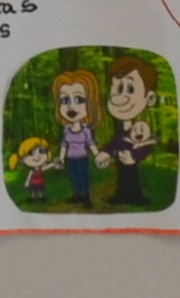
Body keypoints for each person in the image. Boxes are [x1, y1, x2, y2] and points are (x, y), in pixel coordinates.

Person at [100, 63, 158, 208]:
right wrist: (106, 152)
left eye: (130, 89)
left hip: (132, 159)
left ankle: (135, 196)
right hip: (120, 158)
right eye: (118, 89)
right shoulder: (121, 127)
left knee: (133, 177)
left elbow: (148, 144)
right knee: (122, 178)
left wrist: (134, 157)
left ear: (149, 98)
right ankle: (122, 196)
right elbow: (115, 141)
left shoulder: (141, 126)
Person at [49, 69, 100, 207]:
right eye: (65, 100)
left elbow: (90, 143)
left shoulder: (85, 130)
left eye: (79, 100)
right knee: (74, 176)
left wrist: (97, 155)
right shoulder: (66, 130)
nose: (71, 106)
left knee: (83, 176)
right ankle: (77, 194)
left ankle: (86, 196)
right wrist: (61, 158)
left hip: (82, 158)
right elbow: (64, 145)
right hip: (71, 158)